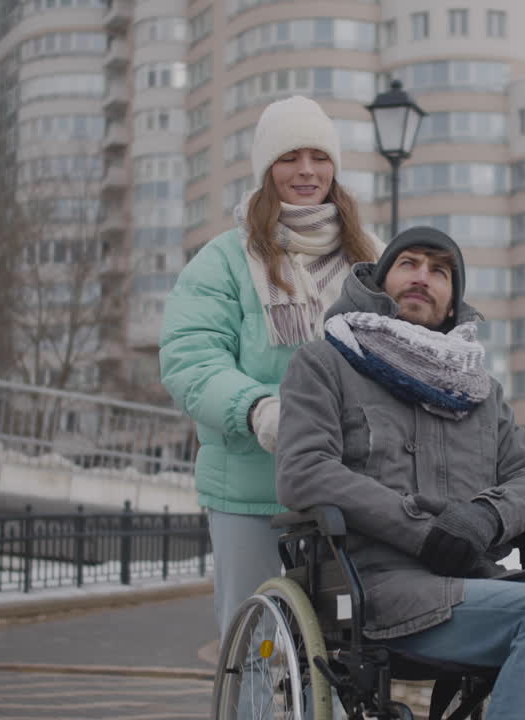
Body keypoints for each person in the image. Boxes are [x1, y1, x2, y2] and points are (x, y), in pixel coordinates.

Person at [275, 227, 525, 719]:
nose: (422, 277)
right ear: (381, 280)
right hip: (374, 586)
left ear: (452, 301)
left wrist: (487, 517)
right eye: (409, 263)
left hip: (474, 579)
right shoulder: (326, 362)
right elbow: (304, 471)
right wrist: (422, 531)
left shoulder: (478, 391)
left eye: (440, 271)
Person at [159, 95, 383, 640]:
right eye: (289, 157)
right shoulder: (224, 260)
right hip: (252, 485)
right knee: (258, 638)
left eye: (319, 157)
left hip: (351, 483)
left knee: (352, 642)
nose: (306, 171)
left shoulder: (371, 257)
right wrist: (258, 409)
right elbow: (192, 358)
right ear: (266, 169)